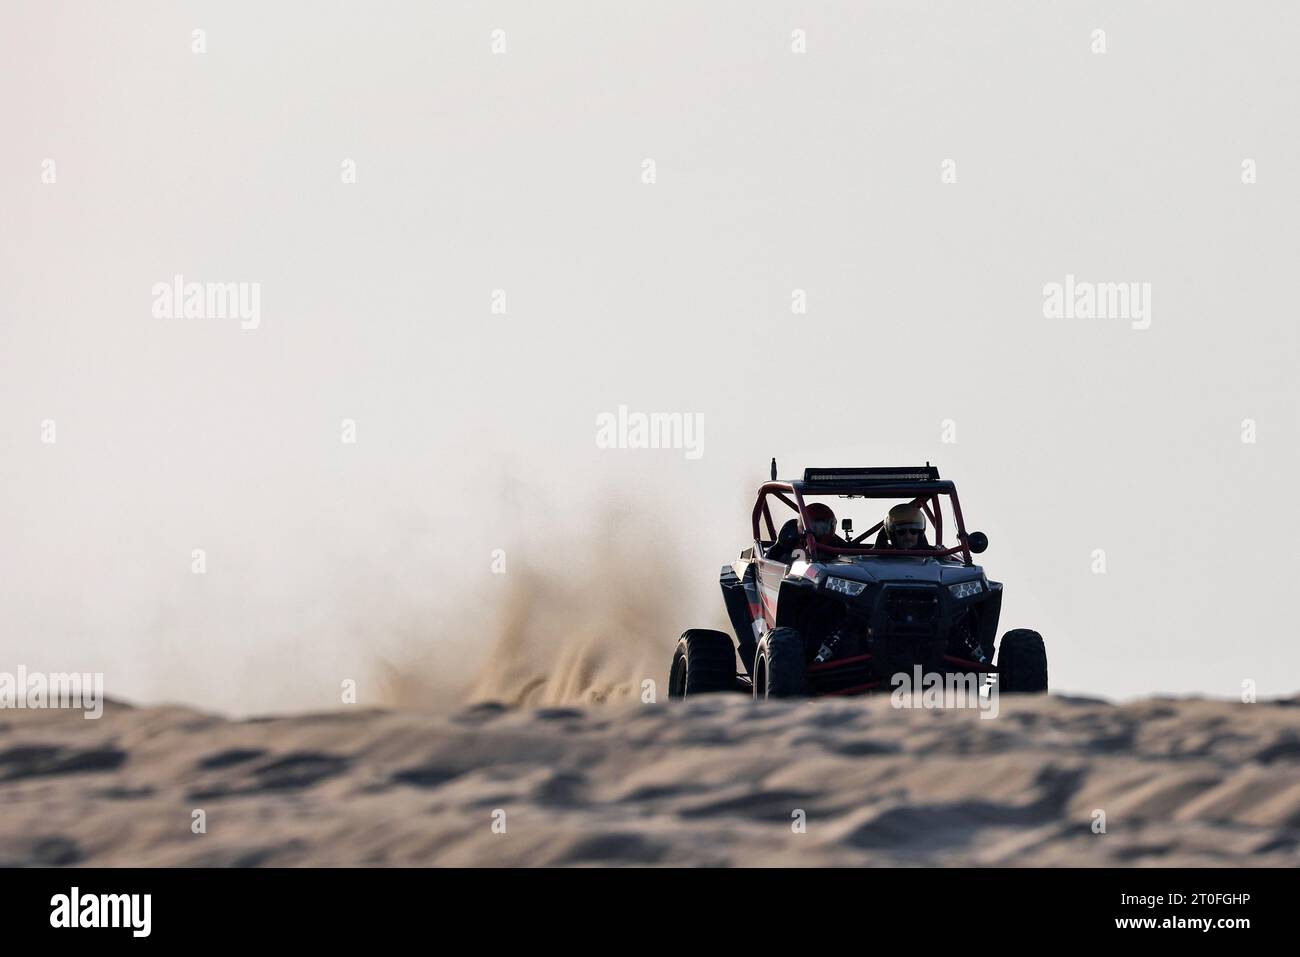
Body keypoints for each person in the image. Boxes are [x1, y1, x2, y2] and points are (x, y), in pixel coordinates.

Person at [768, 502, 845, 563]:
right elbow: (770, 561)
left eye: (823, 527)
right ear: (803, 525)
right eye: (814, 527)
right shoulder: (788, 542)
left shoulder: (833, 545)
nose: (818, 531)